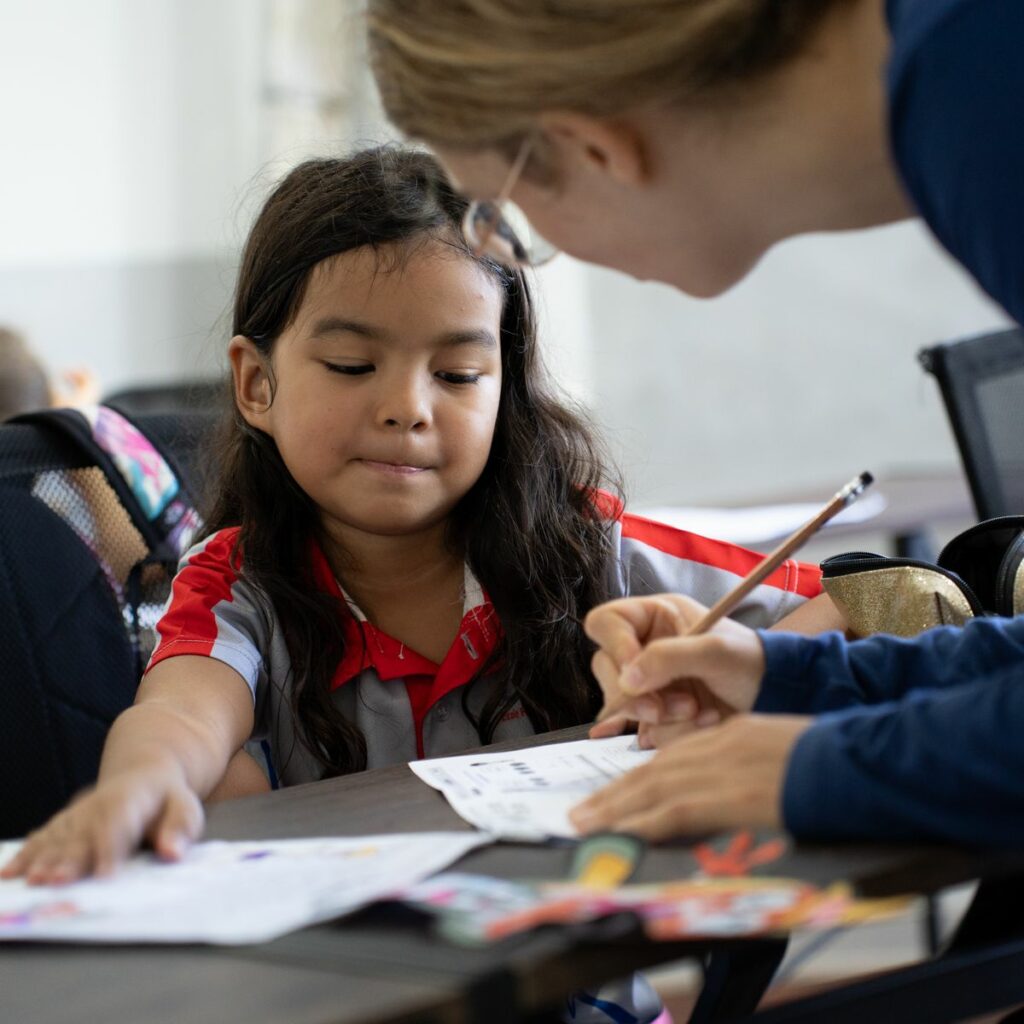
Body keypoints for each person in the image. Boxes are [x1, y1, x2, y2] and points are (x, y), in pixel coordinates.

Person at [2, 147, 829, 884]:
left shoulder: (586, 549)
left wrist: (727, 686)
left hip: (577, 984)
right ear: (257, 384)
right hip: (365, 983)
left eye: (460, 375)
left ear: (506, 392)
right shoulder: (236, 584)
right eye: (353, 364)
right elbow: (181, 712)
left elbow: (853, 603)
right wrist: (135, 791)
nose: (407, 408)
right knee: (219, 782)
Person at [364, 0, 1024, 844]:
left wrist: (818, 768)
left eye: (503, 212)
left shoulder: (980, 95)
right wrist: (789, 679)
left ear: (596, 147)